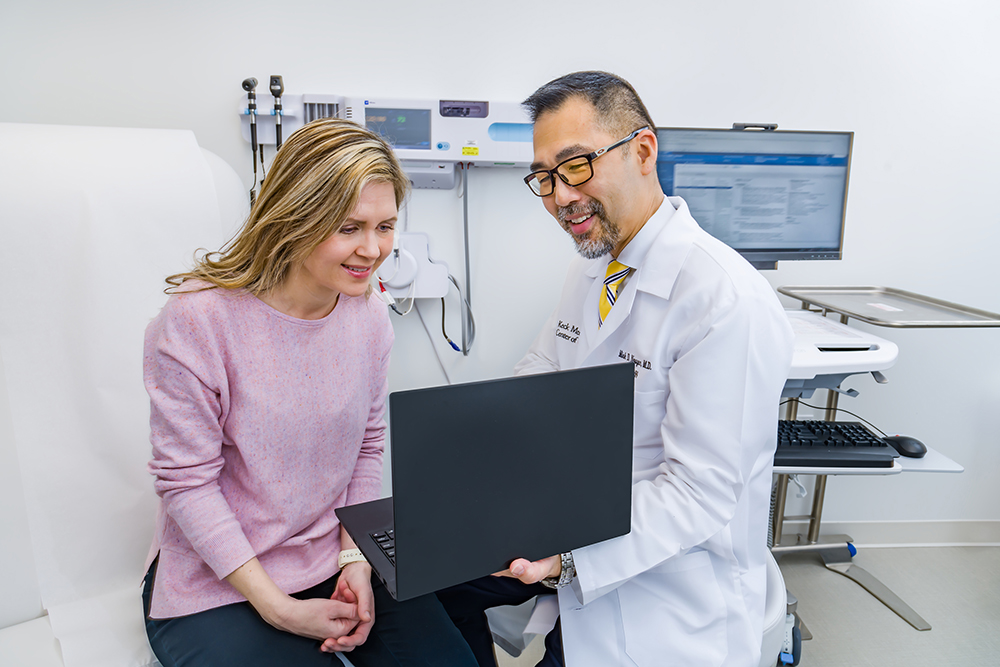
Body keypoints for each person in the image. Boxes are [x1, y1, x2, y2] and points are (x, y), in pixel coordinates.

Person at [438, 72, 795, 667]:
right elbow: (547, 364)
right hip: (572, 520)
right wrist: (479, 447)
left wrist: (569, 557)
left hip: (666, 589)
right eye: (546, 177)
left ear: (643, 151)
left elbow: (698, 494)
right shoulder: (599, 264)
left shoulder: (723, 300)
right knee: (418, 578)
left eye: (576, 165)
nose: (559, 195)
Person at [141, 118, 478, 667]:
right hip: (222, 576)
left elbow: (367, 449)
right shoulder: (197, 323)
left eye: (386, 226)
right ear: (296, 217)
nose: (373, 250)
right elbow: (187, 485)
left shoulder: (368, 317)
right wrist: (279, 609)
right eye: (349, 227)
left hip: (330, 550)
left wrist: (357, 561)